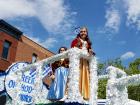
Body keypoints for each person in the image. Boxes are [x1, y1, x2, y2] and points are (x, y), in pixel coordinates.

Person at [71, 27, 95, 100]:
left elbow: (90, 52)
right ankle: (76, 93)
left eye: (84, 31)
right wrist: (77, 46)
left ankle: (85, 94)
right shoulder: (75, 40)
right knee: (78, 75)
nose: (83, 33)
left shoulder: (88, 43)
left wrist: (91, 52)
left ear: (87, 33)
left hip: (85, 62)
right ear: (79, 33)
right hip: (78, 61)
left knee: (85, 76)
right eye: (81, 31)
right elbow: (72, 49)